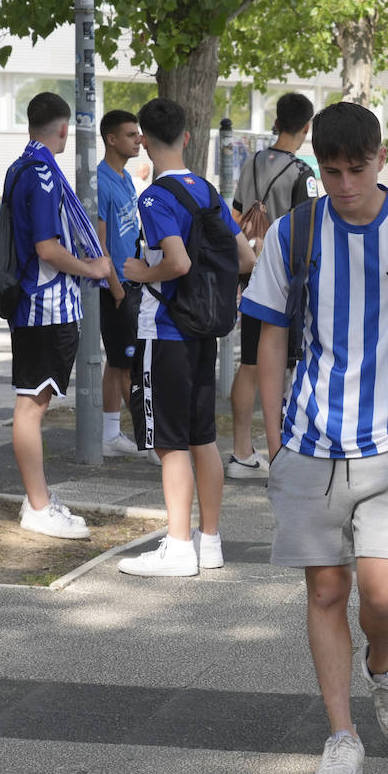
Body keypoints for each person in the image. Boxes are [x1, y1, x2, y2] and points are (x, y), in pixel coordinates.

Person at [241, 102, 388, 774]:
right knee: (326, 588)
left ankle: (382, 663)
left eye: (356, 169)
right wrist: (276, 438)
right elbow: (269, 336)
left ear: (378, 159)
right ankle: (341, 736)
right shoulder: (294, 232)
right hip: (308, 440)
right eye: (330, 171)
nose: (343, 184)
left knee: (382, 592)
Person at [114, 98, 255, 577]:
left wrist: (140, 269)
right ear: (188, 137)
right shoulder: (209, 191)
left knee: (169, 443)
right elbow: (246, 260)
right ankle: (208, 542)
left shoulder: (154, 197)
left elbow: (178, 262)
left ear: (145, 145)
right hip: (203, 330)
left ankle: (177, 548)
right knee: (202, 439)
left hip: (166, 329)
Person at [6, 92, 111, 540]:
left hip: (35, 304)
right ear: (64, 129)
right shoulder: (44, 174)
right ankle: (37, 506)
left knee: (35, 402)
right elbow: (47, 247)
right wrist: (92, 267)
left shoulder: (20, 166)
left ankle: (41, 500)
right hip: (44, 306)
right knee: (31, 406)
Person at [225, 92, 318, 479]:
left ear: (278, 121)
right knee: (286, 365)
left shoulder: (252, 162)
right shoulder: (302, 173)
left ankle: (241, 452)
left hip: (251, 275)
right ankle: (286, 448)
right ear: (307, 127)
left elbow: (233, 214)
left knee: (249, 363)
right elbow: (308, 230)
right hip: (287, 280)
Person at [95, 109, 143, 458]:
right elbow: (99, 242)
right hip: (115, 286)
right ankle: (148, 440)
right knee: (127, 364)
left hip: (130, 280)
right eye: (130, 134)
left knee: (116, 361)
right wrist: (116, 289)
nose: (138, 139)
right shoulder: (99, 181)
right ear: (112, 139)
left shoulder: (125, 177)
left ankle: (110, 435)